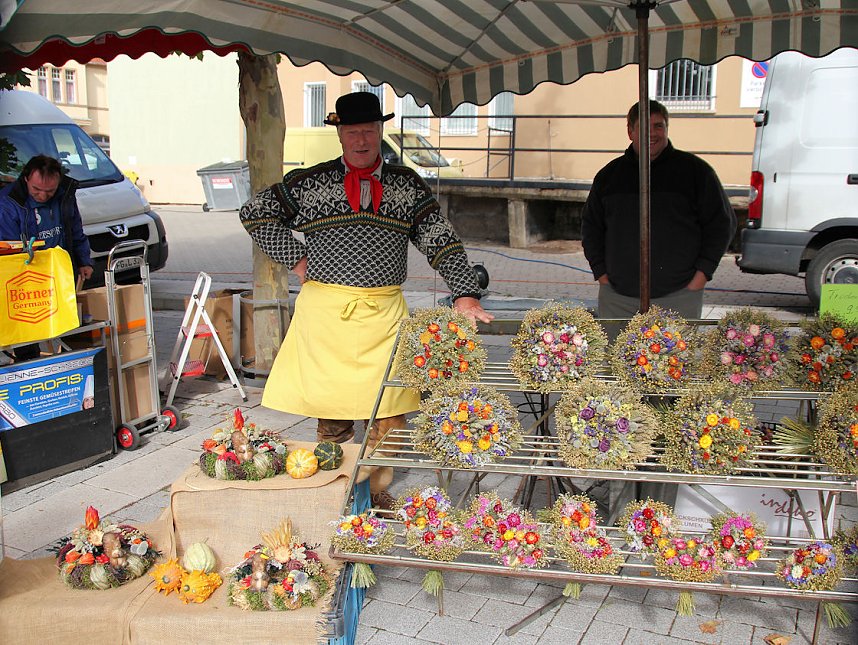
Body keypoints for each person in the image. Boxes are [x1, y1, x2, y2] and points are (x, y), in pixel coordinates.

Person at [240, 91, 493, 509]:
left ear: (380, 131)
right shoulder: (309, 181)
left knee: (390, 418)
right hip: (326, 317)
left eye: (369, 131)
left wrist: (464, 292)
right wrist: (297, 259)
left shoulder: (405, 183)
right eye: (352, 131)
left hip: (385, 316)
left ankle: (374, 492)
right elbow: (255, 213)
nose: (361, 140)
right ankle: (337, 492)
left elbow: (439, 239)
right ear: (340, 135)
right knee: (333, 416)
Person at [581, 100, 736, 321]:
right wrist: (602, 275)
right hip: (618, 299)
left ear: (666, 128)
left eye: (658, 126)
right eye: (643, 127)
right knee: (615, 356)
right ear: (630, 131)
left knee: (677, 357)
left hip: (679, 298)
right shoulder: (609, 176)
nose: (651, 133)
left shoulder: (695, 172)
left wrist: (701, 276)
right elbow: (591, 229)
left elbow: (722, 225)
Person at [0, 154, 93, 361]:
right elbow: (8, 248)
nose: (43, 196)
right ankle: (30, 367)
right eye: (36, 190)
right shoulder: (8, 203)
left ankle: (68, 364)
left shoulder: (66, 196)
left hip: (59, 274)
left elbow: (75, 230)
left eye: (49, 191)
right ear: (26, 179)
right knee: (28, 332)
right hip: (25, 279)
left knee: (67, 324)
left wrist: (84, 260)